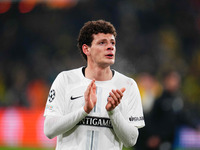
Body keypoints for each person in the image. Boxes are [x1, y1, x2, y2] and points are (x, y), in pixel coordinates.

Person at [43, 19, 145, 150]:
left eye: (112, 43)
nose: (110, 47)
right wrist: (84, 111)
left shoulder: (128, 85)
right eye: (102, 43)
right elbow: (49, 130)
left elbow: (131, 140)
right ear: (86, 49)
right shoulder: (65, 80)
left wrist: (114, 112)